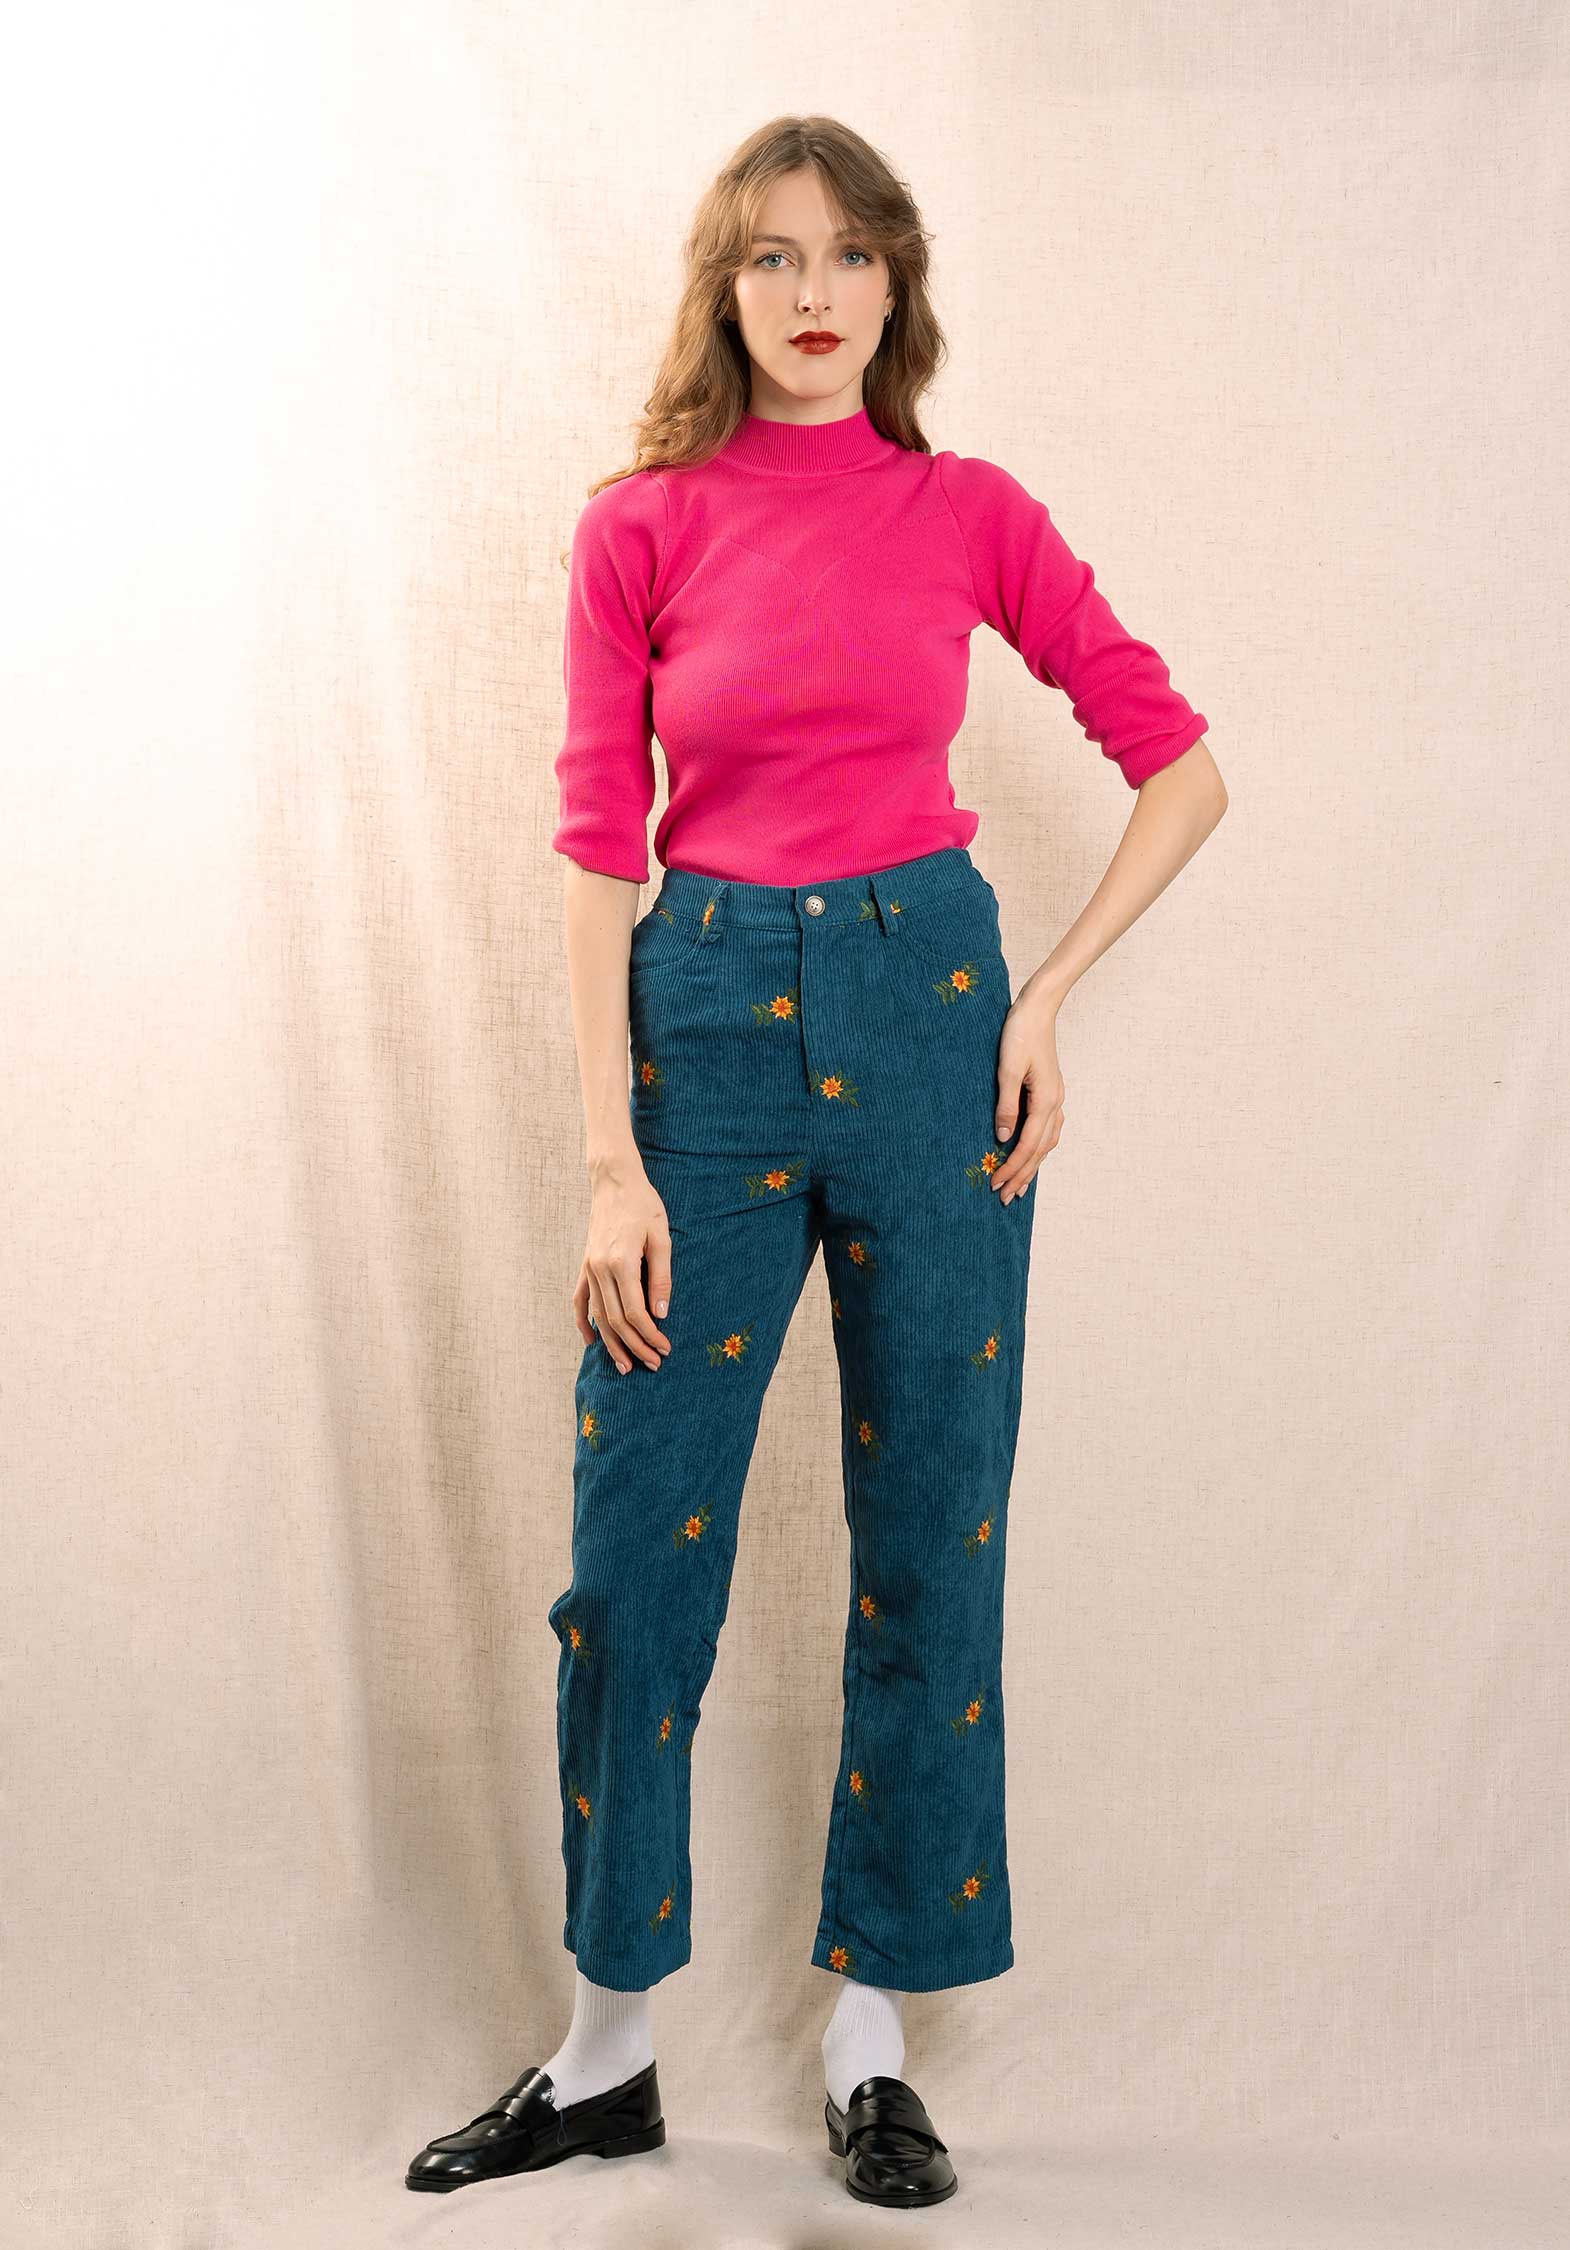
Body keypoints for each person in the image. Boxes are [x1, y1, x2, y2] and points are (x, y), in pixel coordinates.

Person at [408, 114, 1226, 2211]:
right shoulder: (639, 527)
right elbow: (593, 847)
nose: (812, 292)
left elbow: (1181, 765)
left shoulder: (967, 510)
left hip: (929, 1012)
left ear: (894, 285)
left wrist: (1041, 997)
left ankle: (872, 2042)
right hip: (699, 1026)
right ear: (723, 286)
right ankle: (604, 2050)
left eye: (850, 253)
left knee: (931, 1535)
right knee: (632, 1558)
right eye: (772, 255)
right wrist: (611, 1159)